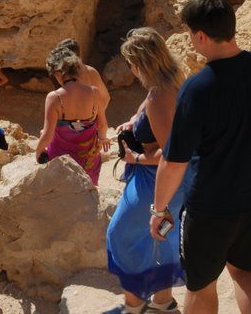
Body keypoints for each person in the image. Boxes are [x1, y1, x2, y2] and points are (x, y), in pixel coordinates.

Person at [151, 0, 251, 314]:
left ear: (201, 36)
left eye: (190, 34)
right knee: (246, 273)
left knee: (201, 286)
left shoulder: (198, 88)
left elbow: (173, 162)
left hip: (212, 206)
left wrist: (159, 209)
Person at [108, 29, 192, 313]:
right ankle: (163, 302)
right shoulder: (175, 79)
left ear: (141, 63)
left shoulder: (159, 97)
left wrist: (135, 158)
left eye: (130, 63)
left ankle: (134, 306)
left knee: (121, 236)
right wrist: (134, 121)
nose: (129, 69)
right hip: (177, 182)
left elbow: (172, 153)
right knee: (162, 237)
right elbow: (148, 107)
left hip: (156, 180)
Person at [36, 48, 105, 184]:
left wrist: (38, 153)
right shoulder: (94, 92)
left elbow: (47, 135)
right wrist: (102, 138)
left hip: (62, 162)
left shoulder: (54, 97)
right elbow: (102, 125)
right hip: (88, 160)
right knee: (88, 192)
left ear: (57, 72)